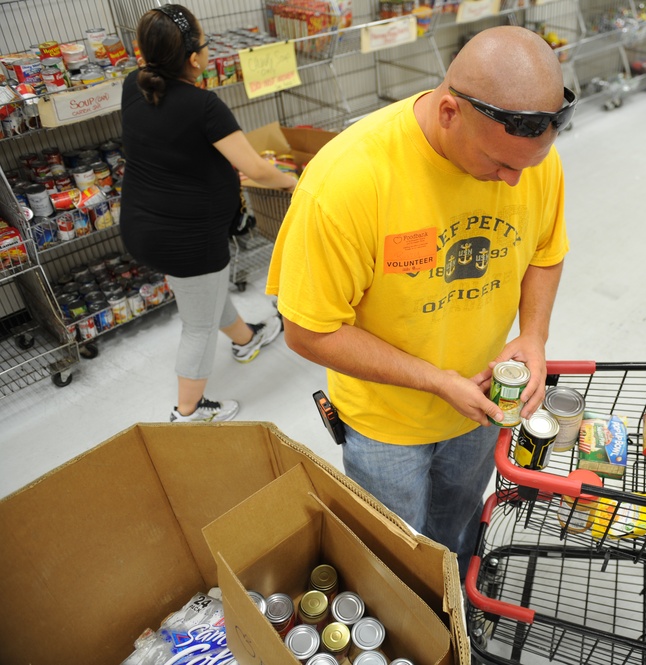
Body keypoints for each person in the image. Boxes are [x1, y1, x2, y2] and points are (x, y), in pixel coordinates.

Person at [267, 26, 574, 575]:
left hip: (481, 407)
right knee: (395, 557)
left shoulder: (527, 158)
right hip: (387, 424)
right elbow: (307, 328)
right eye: (498, 163)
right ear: (450, 111)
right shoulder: (347, 182)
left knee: (456, 531)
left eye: (524, 167)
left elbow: (545, 252)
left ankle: (453, 601)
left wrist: (533, 336)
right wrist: (436, 381)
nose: (511, 181)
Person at [121, 4, 299, 422]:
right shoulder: (203, 106)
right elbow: (255, 168)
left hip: (142, 227)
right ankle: (189, 412)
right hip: (188, 238)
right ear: (194, 58)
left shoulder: (134, 85)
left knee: (203, 294)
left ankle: (246, 338)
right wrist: (295, 183)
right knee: (197, 326)